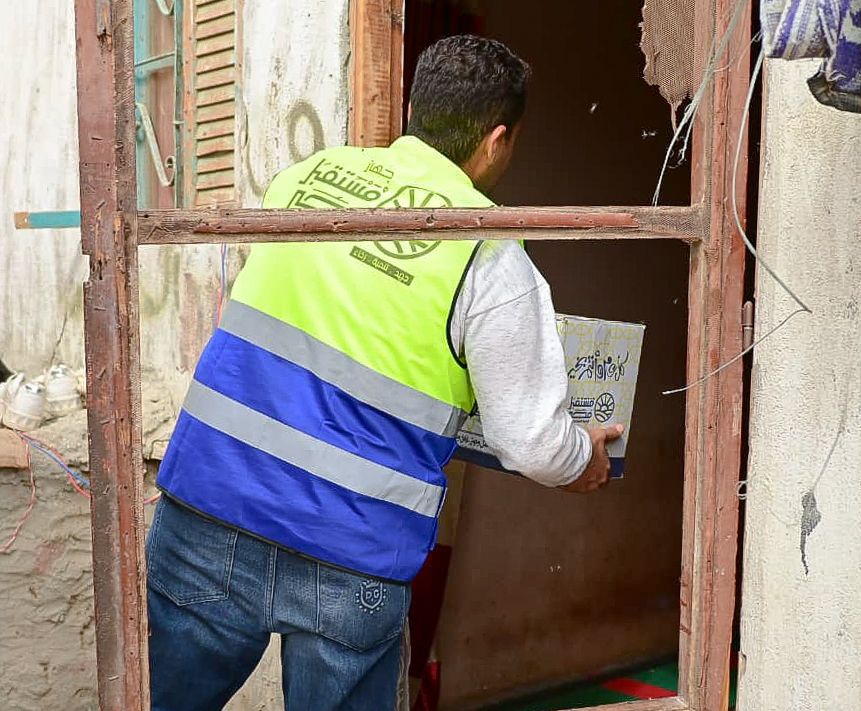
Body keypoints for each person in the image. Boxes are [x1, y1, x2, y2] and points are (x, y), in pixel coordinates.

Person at [146, 35, 622, 711]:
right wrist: (584, 461)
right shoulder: (489, 255)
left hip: (208, 509)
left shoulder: (306, 178)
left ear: (412, 110)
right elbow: (532, 443)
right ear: (497, 140)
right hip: (350, 551)